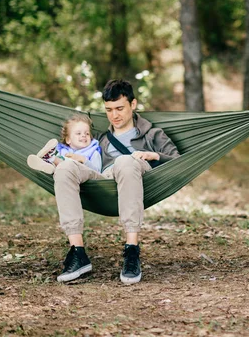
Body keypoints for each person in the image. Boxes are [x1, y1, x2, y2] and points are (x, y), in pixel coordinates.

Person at [53, 79, 180, 284]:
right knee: (64, 169)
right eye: (109, 110)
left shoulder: (153, 134)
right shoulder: (100, 139)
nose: (114, 115)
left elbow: (176, 160)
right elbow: (86, 158)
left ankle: (132, 251)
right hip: (103, 179)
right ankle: (78, 252)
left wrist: (153, 155)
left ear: (133, 104)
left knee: (124, 161)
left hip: (134, 170)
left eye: (120, 108)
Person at [27, 114, 102, 174]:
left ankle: (49, 158)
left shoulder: (93, 153)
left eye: (87, 133)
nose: (83, 135)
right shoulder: (63, 151)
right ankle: (48, 164)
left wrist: (84, 160)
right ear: (68, 139)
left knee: (64, 162)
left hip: (80, 175)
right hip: (61, 173)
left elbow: (98, 172)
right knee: (59, 161)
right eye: (78, 133)